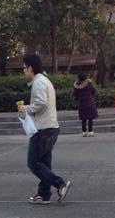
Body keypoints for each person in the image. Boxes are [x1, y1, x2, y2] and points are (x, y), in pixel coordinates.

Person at [17, 54, 71, 204]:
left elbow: (41, 103)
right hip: (51, 128)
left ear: (30, 68)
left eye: (24, 68)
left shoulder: (38, 82)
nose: (23, 71)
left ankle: (60, 184)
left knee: (33, 163)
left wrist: (26, 108)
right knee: (44, 163)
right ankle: (44, 194)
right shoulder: (44, 80)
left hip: (43, 129)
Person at [73, 72, 99, 136]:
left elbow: (75, 94)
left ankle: (84, 132)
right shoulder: (89, 84)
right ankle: (90, 132)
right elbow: (93, 91)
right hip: (89, 102)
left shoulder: (76, 85)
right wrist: (91, 96)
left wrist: (78, 99)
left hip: (81, 103)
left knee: (83, 118)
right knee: (90, 118)